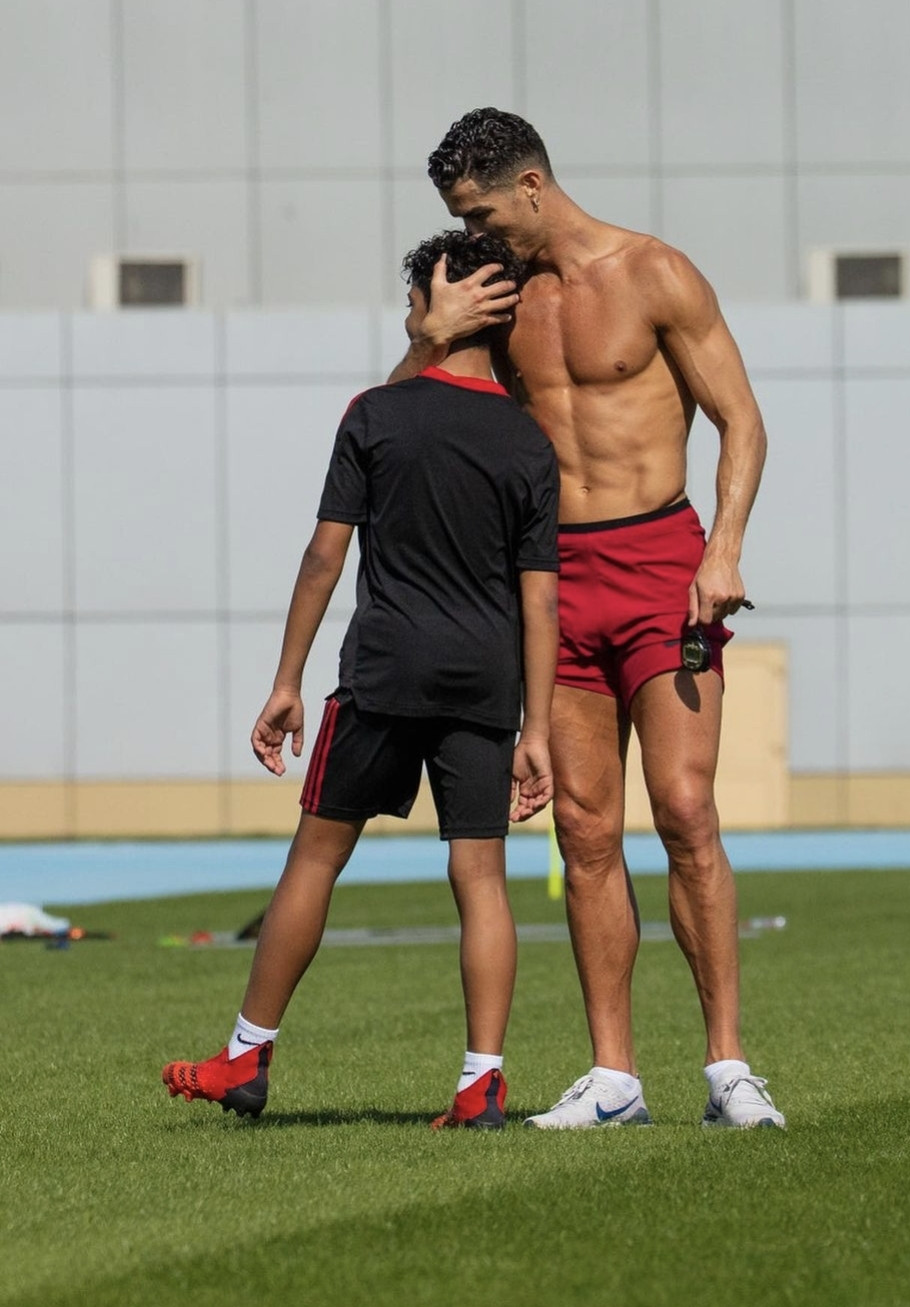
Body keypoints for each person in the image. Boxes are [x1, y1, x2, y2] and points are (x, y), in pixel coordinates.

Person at [389, 108, 784, 1130]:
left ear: (530, 186)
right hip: (550, 581)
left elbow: (741, 418)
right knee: (584, 829)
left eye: (481, 213)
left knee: (686, 810)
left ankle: (728, 1067)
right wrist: (429, 337)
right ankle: (614, 1077)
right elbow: (393, 422)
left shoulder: (654, 273)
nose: (473, 234)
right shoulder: (492, 293)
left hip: (660, 568)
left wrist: (723, 548)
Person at [162, 229, 560, 1129]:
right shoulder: (530, 442)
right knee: (481, 876)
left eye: (414, 300)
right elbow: (541, 600)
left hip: (384, 671)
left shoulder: (375, 414)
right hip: (485, 683)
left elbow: (323, 556)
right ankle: (481, 1084)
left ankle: (245, 1056)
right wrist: (535, 727)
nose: (409, 315)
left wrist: (286, 680)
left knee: (316, 856)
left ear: (441, 303)